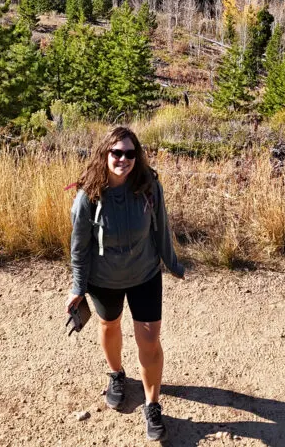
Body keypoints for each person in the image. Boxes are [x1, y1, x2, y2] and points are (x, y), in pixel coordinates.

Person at [65, 125, 184, 441]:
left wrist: (171, 263)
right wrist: (78, 288)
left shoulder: (148, 186)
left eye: (130, 153)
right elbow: (79, 248)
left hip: (145, 274)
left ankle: (152, 404)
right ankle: (117, 375)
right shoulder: (87, 197)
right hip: (104, 279)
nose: (123, 159)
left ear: (137, 156)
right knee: (109, 325)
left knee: (149, 339)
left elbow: (161, 227)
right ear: (105, 154)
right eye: (117, 152)